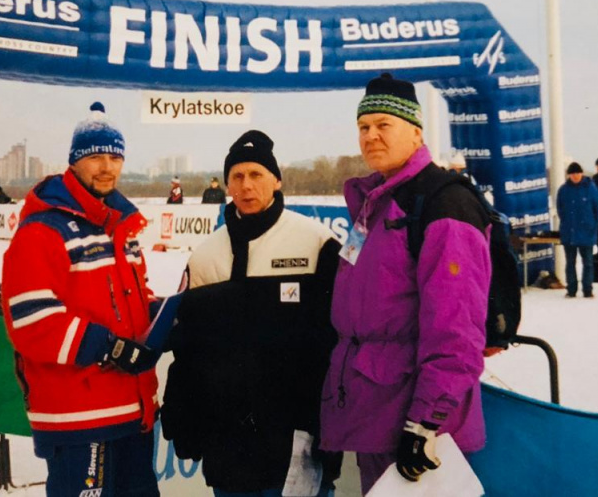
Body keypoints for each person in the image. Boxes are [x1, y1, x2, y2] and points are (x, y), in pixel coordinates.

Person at [319, 73, 491, 495]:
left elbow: (456, 326)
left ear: (415, 132)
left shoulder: (443, 203)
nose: (371, 136)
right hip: (374, 413)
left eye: (383, 125)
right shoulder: (376, 203)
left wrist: (425, 421)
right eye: (363, 127)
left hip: (420, 426)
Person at [162, 131, 341, 496]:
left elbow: (337, 342)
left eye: (256, 174)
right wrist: (182, 417)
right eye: (238, 176)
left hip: (296, 442)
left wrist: (331, 425)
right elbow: (188, 350)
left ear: (277, 180)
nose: (247, 185)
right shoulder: (205, 256)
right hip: (228, 447)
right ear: (227, 184)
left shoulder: (316, 244)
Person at [2, 102, 161, 497]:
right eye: (94, 157)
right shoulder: (42, 231)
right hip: (79, 419)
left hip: (132, 411)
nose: (106, 167)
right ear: (73, 162)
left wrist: (166, 316)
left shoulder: (121, 228)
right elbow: (32, 320)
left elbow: (130, 304)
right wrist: (109, 347)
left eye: (114, 156)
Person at [556, 162, 598, 298]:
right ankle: (571, 289)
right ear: (569, 175)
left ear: (581, 174)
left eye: (577, 173)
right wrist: (566, 223)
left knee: (588, 263)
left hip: (586, 232)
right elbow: (560, 209)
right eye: (572, 174)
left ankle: (587, 289)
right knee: (570, 263)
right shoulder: (563, 190)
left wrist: (592, 225)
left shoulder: (591, 189)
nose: (575, 176)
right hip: (569, 233)